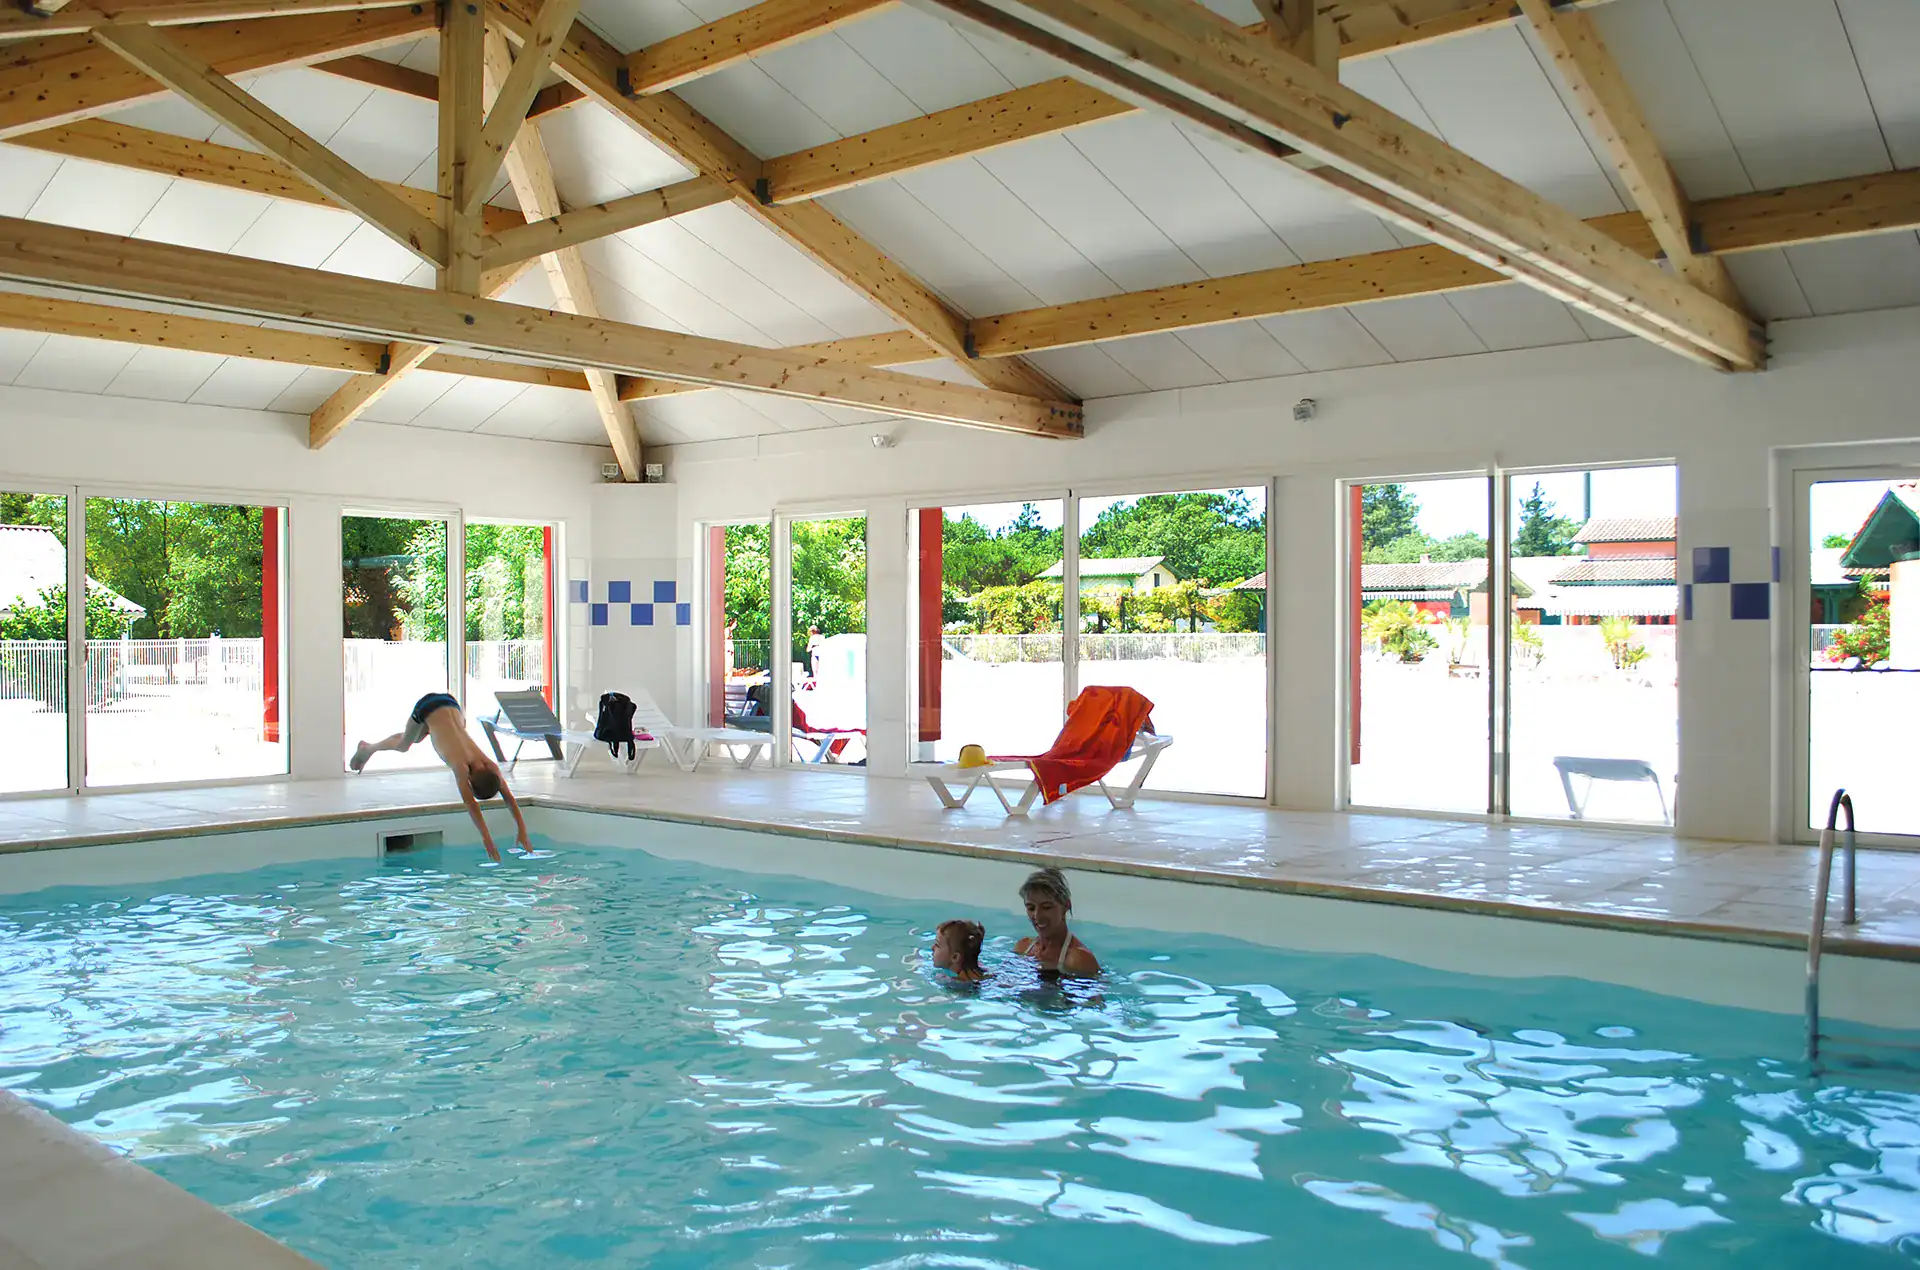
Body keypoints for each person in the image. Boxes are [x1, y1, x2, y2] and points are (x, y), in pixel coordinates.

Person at [350, 691, 530, 862]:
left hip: (451, 704)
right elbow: (471, 804)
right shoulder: (461, 767)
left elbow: (508, 797)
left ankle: (426, 730)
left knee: (418, 736)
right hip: (426, 708)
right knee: (404, 745)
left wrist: (522, 829)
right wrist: (486, 838)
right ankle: (369, 748)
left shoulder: (489, 765)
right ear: (470, 782)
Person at [1013, 866, 1098, 978]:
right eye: (1031, 908)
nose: (1037, 916)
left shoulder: (1078, 959)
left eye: (1046, 907)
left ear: (1066, 906)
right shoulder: (1023, 947)